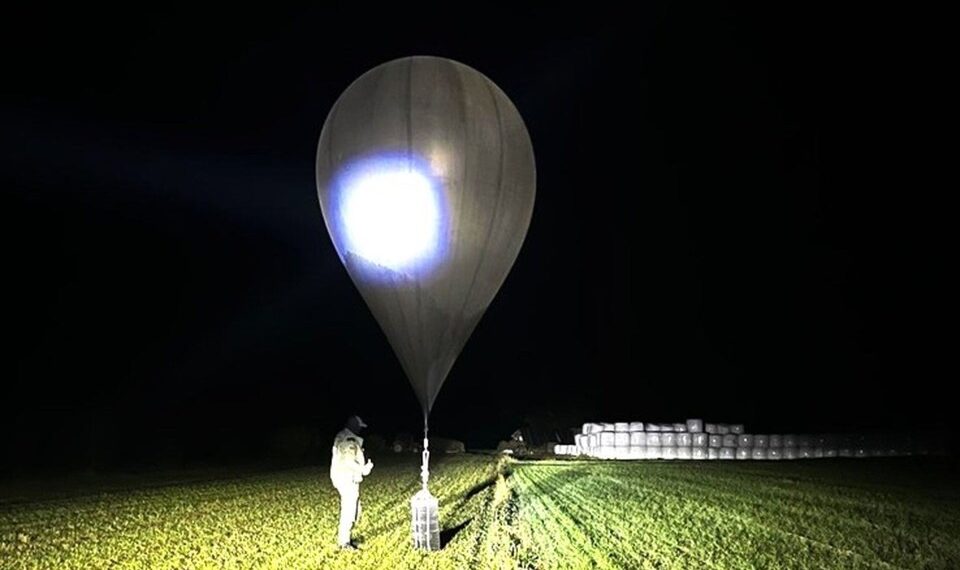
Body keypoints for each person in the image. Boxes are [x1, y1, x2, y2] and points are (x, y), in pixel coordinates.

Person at [330, 415, 374, 550]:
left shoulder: (342, 436)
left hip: (343, 477)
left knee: (355, 509)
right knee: (349, 510)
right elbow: (348, 461)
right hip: (347, 478)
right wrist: (365, 469)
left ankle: (346, 537)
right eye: (359, 427)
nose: (360, 430)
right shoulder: (350, 439)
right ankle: (344, 543)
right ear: (354, 426)